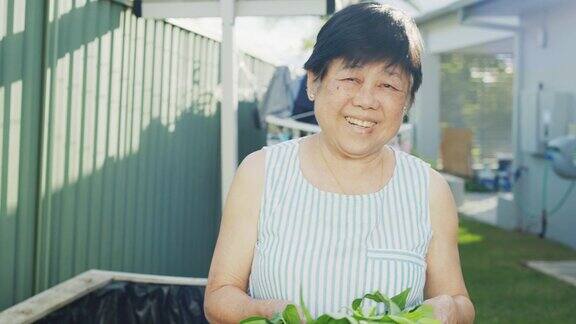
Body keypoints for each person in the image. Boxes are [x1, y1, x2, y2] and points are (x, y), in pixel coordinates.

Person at [204, 2, 475, 323]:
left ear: (408, 100)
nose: (366, 100)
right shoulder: (260, 173)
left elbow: (459, 301)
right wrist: (266, 312)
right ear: (313, 82)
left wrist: (451, 310)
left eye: (388, 85)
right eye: (351, 78)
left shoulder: (429, 190)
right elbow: (220, 295)